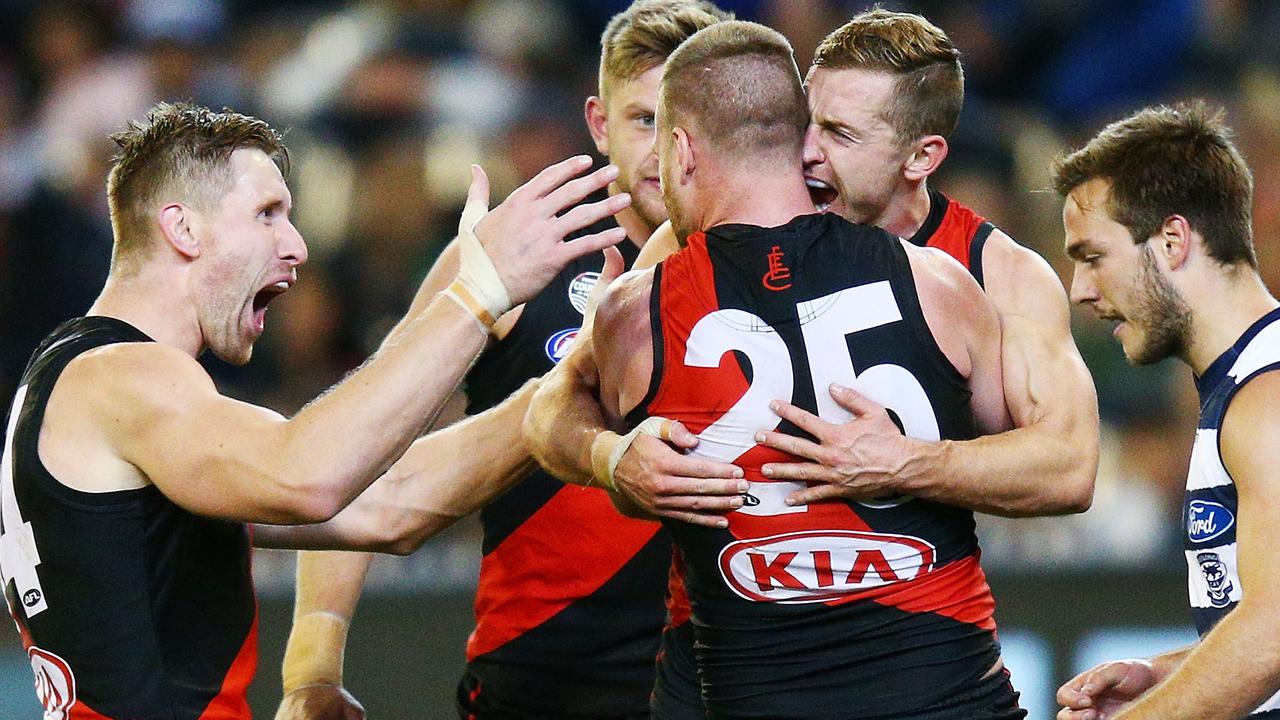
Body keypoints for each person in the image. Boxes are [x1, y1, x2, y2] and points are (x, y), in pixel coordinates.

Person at [524, 8, 1099, 716]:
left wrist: (906, 463)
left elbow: (1069, 467)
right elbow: (556, 401)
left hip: (914, 661)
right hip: (720, 663)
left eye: (842, 134)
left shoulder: (990, 274)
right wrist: (611, 456)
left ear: (921, 156)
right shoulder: (684, 253)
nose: (808, 154)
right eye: (807, 123)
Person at [0, 101, 627, 720]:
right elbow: (308, 476)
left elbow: (391, 504)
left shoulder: (98, 387)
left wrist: (567, 379)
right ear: (183, 229)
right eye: (267, 214)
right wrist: (482, 292)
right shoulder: (118, 375)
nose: (297, 246)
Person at [271, 4, 737, 720]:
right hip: (537, 689)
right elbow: (361, 448)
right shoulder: (514, 256)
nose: (665, 151)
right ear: (597, 123)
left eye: (688, 122)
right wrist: (311, 668)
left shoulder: (780, 267)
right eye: (643, 120)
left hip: (729, 683)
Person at [1054, 104, 1280, 720]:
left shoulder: (1268, 396)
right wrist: (1161, 675)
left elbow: (1272, 633)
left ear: (1173, 241)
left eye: (1092, 255)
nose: (1080, 289)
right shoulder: (1242, 386)